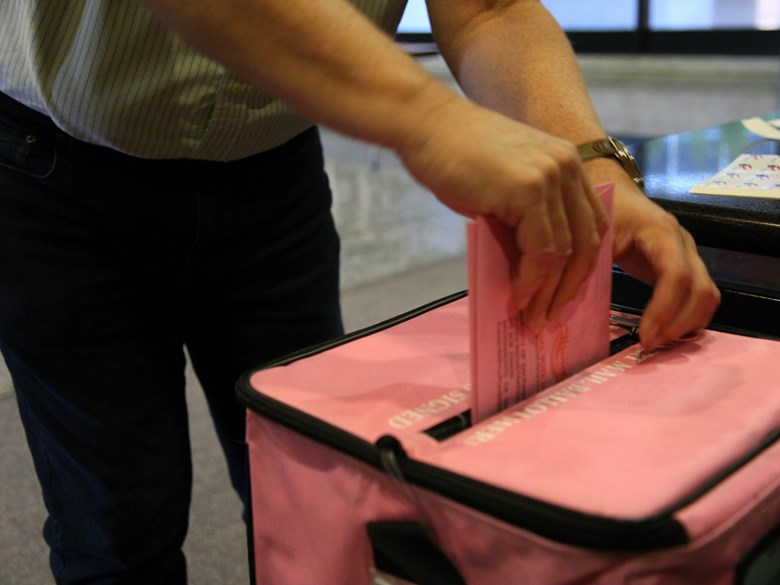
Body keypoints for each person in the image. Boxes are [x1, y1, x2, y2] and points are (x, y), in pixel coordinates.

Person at [0, 1, 720, 583]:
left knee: (310, 494)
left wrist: (596, 167)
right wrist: (433, 121)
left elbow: (487, 9)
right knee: (119, 522)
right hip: (56, 179)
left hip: (272, 175)